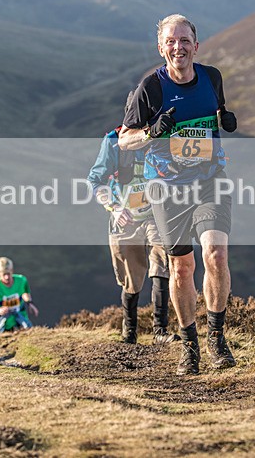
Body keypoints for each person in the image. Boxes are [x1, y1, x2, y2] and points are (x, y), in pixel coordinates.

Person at [118, 14, 238, 375]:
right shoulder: (149, 89)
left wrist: (225, 118)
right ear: (161, 47)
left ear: (196, 46)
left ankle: (216, 339)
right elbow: (125, 140)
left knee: (215, 254)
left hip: (209, 180)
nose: (178, 47)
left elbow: (216, 112)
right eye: (171, 41)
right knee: (181, 268)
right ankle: (190, 346)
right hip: (166, 190)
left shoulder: (212, 78)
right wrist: (152, 132)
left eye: (184, 40)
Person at [87, 124, 177, 345]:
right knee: (130, 279)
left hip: (156, 215)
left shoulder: (161, 134)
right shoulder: (112, 141)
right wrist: (115, 208)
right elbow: (95, 181)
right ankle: (129, 332)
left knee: (162, 264)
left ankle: (160, 331)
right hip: (124, 218)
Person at [0, 257, 39, 333]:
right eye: (4, 274)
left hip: (21, 322)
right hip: (3, 325)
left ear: (12, 270)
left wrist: (30, 303)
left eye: (8, 274)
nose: (7, 277)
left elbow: (25, 293)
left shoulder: (21, 280)